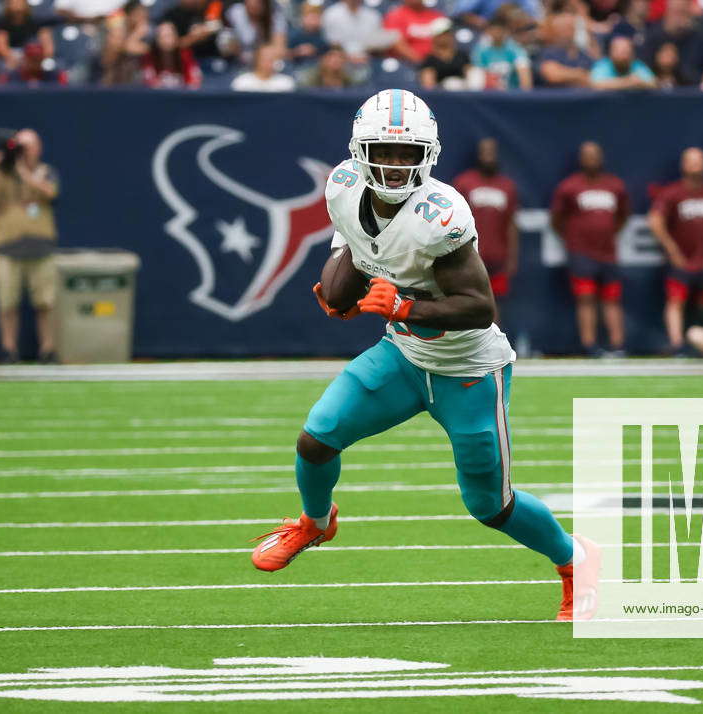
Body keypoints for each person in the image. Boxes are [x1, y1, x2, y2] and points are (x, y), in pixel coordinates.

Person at [250, 89, 600, 622]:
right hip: (405, 357)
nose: (393, 165)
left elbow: (480, 306)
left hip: (469, 371)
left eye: (406, 153)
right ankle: (315, 522)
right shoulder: (343, 187)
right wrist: (338, 293)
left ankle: (576, 559)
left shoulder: (441, 213)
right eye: (383, 152)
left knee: (491, 506)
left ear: (428, 155)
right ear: (359, 151)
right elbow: (353, 253)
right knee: (316, 438)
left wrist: (406, 307)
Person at [0, 129, 59, 364]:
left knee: (45, 302)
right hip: (7, 248)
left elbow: (51, 193)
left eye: (28, 146)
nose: (23, 151)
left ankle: (48, 349)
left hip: (41, 247)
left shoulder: (46, 172)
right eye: (20, 146)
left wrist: (24, 173)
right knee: (7, 303)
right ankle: (9, 349)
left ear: (38, 148)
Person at [648, 146, 703, 354]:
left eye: (700, 160)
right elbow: (654, 221)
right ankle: (677, 344)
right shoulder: (672, 193)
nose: (696, 164)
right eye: (692, 160)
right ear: (683, 165)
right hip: (681, 261)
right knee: (676, 300)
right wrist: (672, 250)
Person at [550, 141, 630, 357]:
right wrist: (575, 238)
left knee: (612, 298)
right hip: (581, 253)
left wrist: (607, 232)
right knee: (585, 298)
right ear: (580, 159)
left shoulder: (615, 186)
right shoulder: (569, 186)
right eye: (587, 155)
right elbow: (557, 219)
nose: (591, 159)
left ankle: (617, 344)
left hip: (608, 252)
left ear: (601, 157)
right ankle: (589, 344)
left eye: (595, 155)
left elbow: (623, 215)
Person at [453, 137, 519, 323]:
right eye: (484, 152)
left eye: (491, 152)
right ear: (478, 155)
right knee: (466, 299)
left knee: (493, 301)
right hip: (469, 254)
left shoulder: (507, 186)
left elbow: (511, 224)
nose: (488, 157)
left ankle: (492, 343)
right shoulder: (464, 182)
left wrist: (512, 256)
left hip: (497, 255)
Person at [470, 16, 532, 90]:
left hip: (511, 93)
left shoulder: (516, 49)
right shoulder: (481, 50)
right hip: (488, 93)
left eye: (499, 30)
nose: (496, 33)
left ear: (506, 31)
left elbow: (524, 73)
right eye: (493, 30)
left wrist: (525, 95)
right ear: (488, 31)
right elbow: (477, 73)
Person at [535, 11, 594, 88]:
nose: (568, 31)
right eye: (564, 28)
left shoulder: (583, 54)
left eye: (571, 27)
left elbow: (592, 79)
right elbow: (552, 75)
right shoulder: (548, 52)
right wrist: (579, 74)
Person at [0, 0, 53, 70]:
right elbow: (0, 44)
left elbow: (47, 45)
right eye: (14, 3)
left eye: (20, 2)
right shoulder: (2, 22)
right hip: (12, 55)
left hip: (32, 54)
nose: (17, 6)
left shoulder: (36, 21)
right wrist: (11, 57)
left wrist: (40, 58)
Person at [383, 0, 448, 64]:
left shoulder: (436, 16)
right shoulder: (395, 16)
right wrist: (422, 62)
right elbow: (397, 44)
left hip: (435, 62)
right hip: (406, 64)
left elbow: (447, 42)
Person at [225, 0, 287, 66]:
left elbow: (280, 49)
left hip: (266, 63)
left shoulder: (275, 15)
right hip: (237, 62)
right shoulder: (236, 12)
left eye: (259, 2)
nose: (254, 4)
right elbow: (227, 46)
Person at [141, 22, 202, 88]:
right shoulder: (150, 57)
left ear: (176, 37)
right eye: (162, 36)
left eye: (169, 35)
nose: (166, 40)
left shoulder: (185, 55)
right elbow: (149, 83)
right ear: (157, 39)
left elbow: (194, 82)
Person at [590, 34, 656, 89]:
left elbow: (653, 84)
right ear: (610, 53)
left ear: (632, 54)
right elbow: (594, 84)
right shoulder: (603, 65)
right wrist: (628, 82)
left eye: (626, 52)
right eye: (619, 52)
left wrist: (641, 83)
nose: (623, 57)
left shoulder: (637, 65)